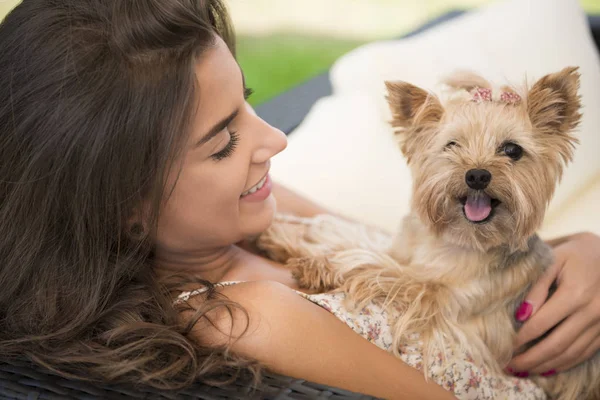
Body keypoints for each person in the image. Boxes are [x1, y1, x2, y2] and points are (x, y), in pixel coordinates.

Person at [0, 1, 597, 399]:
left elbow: (446, 253)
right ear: (123, 207)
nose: (276, 139)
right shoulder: (250, 316)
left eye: (249, 101)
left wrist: (578, 252)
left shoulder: (242, 215)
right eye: (224, 140)